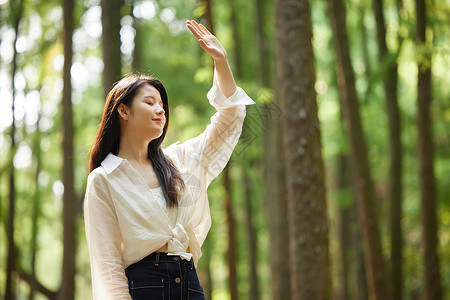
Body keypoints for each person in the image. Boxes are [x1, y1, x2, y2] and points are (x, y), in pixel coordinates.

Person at [83, 20, 255, 300]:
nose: (160, 110)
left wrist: (221, 62)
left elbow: (230, 119)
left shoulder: (180, 161)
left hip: (189, 283)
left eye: (162, 105)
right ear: (123, 111)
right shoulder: (103, 179)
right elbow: (108, 266)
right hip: (144, 288)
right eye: (150, 102)